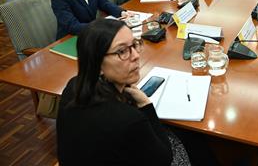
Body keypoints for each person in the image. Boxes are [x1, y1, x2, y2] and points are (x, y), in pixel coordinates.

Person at [56, 19, 218, 165]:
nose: (135, 56)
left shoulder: (74, 85)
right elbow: (164, 158)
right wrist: (146, 104)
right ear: (97, 63)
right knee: (192, 137)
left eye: (134, 45)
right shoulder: (128, 120)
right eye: (122, 51)